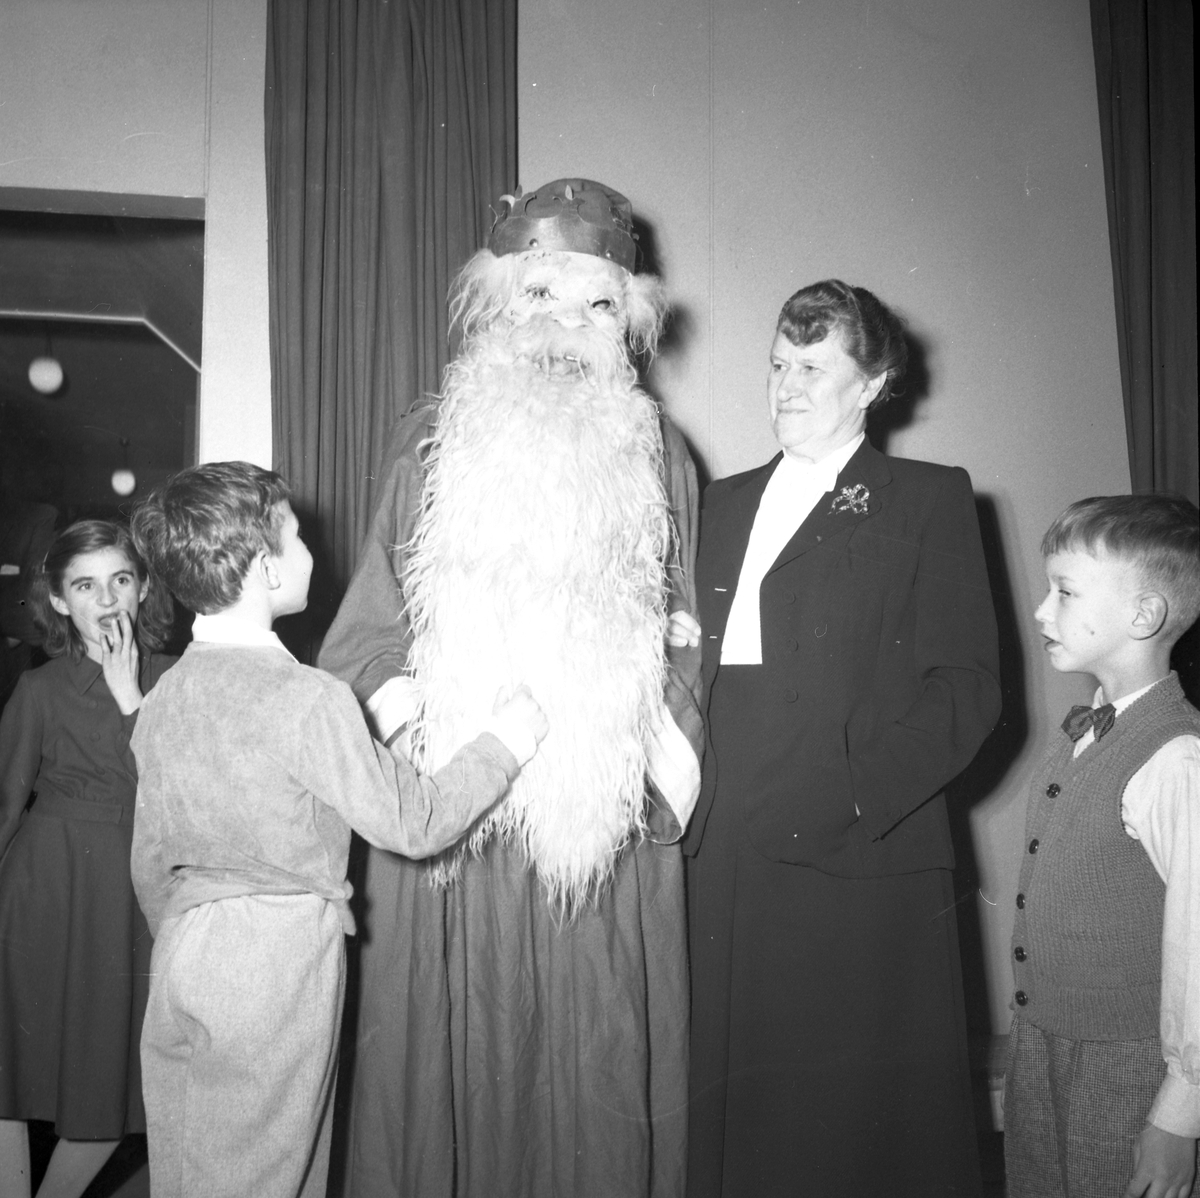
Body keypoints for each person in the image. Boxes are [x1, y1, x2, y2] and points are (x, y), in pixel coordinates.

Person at [319, 177, 703, 1198]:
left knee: (595, 1070)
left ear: (626, 322)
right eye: (540, 296)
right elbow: (368, 628)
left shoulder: (662, 454)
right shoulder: (427, 441)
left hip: (603, 831)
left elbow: (689, 642)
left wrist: (643, 780)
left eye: (595, 304)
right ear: (497, 306)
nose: (565, 328)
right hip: (454, 821)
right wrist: (430, 763)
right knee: (446, 1071)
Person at [127, 461, 547, 1198]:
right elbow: (414, 822)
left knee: (186, 1169)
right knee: (268, 1177)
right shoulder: (309, 698)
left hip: (183, 953)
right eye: (295, 536)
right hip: (275, 963)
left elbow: (150, 863)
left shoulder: (164, 697)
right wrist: (504, 744)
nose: (310, 550)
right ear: (264, 569)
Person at [683, 279, 1001, 1197]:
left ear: (872, 384)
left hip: (859, 849)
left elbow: (967, 689)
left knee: (846, 1134)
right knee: (735, 1124)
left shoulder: (927, 498)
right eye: (778, 365)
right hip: (723, 852)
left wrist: (853, 794)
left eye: (813, 368)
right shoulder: (717, 503)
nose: (786, 386)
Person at [1005, 494, 1200, 1198]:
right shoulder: (1083, 733)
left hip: (1129, 1063)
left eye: (1064, 592)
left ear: (1143, 615)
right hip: (1045, 1037)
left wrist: (1180, 1114)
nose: (1040, 612)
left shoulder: (1175, 759)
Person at [0, 520, 175, 1198]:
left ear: (144, 588)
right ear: (58, 599)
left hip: (126, 899)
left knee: (109, 1083)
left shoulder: (179, 679)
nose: (105, 600)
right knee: (9, 1068)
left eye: (120, 580)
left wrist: (130, 696)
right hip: (40, 891)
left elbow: (178, 796)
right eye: (84, 585)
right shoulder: (39, 689)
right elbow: (4, 805)